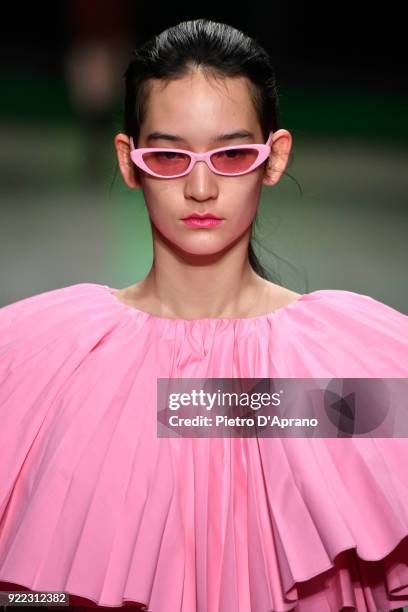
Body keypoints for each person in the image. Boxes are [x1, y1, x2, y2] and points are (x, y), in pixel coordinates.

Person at [1, 18, 408, 612]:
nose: (199, 187)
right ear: (128, 160)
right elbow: (27, 598)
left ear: (274, 158)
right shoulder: (47, 358)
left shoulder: (342, 364)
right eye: (168, 155)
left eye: (232, 153)